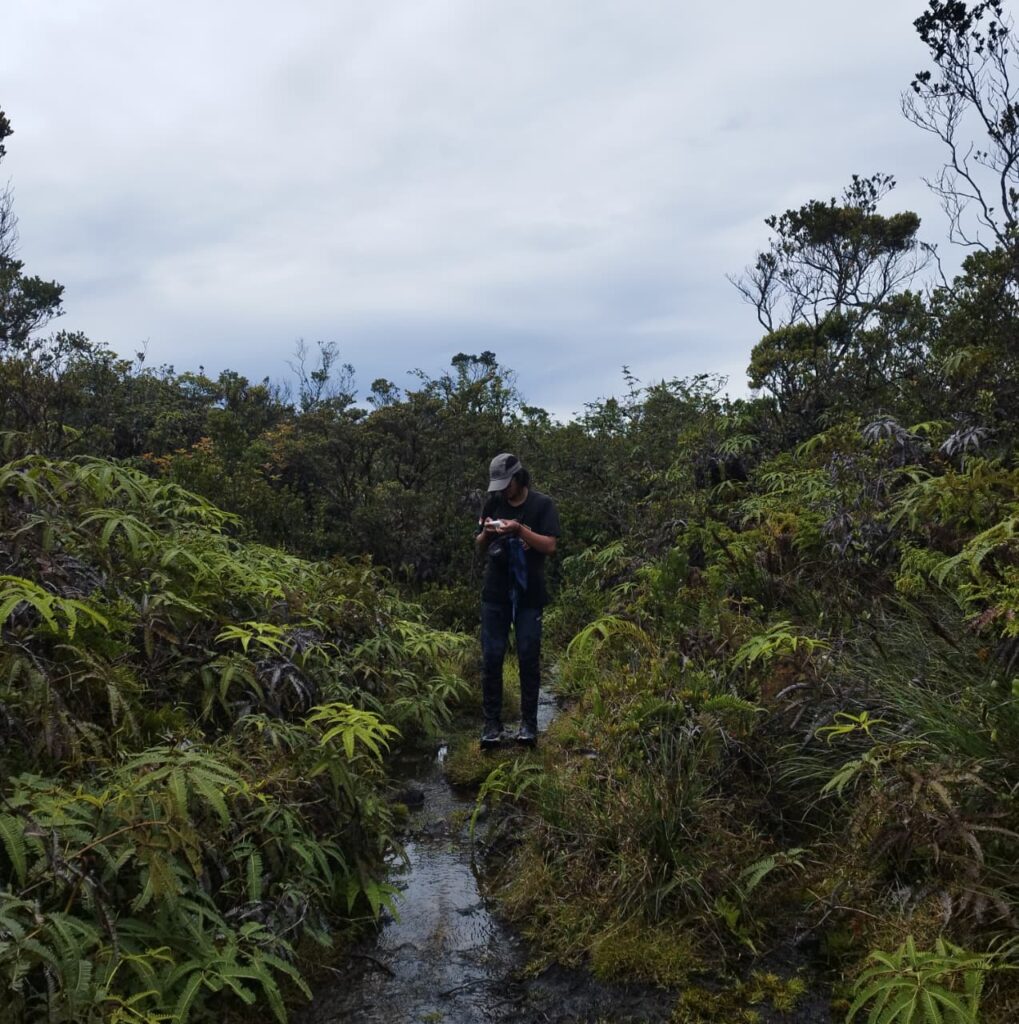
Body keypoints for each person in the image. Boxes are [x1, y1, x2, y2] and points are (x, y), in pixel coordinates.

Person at [475, 452, 561, 748]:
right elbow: (479, 545)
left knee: (528, 655)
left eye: (506, 484)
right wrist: (487, 533)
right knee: (492, 657)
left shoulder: (542, 505)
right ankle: (491, 725)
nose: (503, 491)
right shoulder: (493, 503)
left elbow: (550, 546)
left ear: (518, 478)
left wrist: (519, 529)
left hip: (529, 592)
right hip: (495, 590)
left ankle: (529, 725)